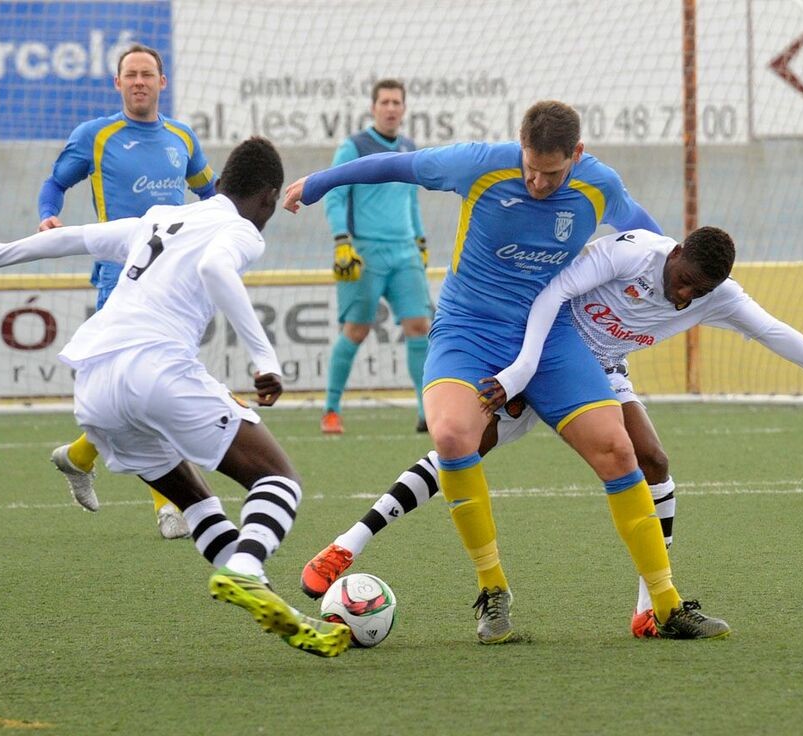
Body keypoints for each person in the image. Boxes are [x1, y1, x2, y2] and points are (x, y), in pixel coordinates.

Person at [301, 226, 803, 638]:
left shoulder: (716, 296)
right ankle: (345, 546)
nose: (685, 295)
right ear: (674, 255)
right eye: (684, 280)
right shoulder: (634, 251)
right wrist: (521, 370)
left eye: (698, 291)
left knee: (651, 460)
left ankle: (651, 611)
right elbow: (555, 289)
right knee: (462, 447)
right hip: (542, 348)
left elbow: (781, 336)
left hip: (604, 373)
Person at [284, 100, 727, 644]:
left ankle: (666, 604)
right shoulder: (478, 163)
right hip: (468, 329)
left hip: (551, 338)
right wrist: (321, 182)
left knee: (618, 450)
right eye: (531, 168)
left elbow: (650, 240)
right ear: (520, 148)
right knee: (450, 436)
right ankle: (493, 592)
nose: (539, 182)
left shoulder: (599, 185)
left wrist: (655, 300)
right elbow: (399, 165)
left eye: (553, 172)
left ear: (578, 156)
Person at [0, 137, 351, 658]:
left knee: (197, 502)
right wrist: (265, 359)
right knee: (278, 479)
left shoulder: (161, 216)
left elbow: (79, 238)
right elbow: (215, 270)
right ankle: (247, 567)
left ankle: (270, 603)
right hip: (156, 368)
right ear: (267, 198)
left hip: (94, 382)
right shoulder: (240, 230)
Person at [40, 43, 217, 537]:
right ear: (117, 84)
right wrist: (47, 215)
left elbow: (212, 194)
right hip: (119, 281)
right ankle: (168, 503)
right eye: (130, 75)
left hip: (176, 283)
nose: (139, 82)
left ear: (163, 82)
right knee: (146, 387)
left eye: (148, 74)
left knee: (139, 391)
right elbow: (54, 182)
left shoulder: (182, 138)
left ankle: (78, 456)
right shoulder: (96, 136)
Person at [320, 78, 431, 435]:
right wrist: (341, 240)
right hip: (364, 251)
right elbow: (334, 196)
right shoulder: (353, 147)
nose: (391, 108)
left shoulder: (410, 147)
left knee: (420, 327)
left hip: (404, 252)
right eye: (384, 101)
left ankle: (427, 409)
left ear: (404, 108)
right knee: (355, 330)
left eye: (396, 102)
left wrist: (420, 238)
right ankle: (331, 410)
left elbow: (411, 199)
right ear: (373, 107)